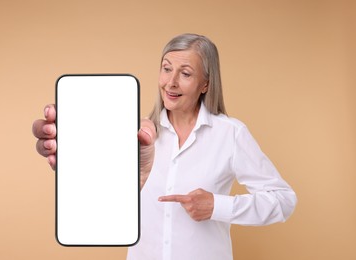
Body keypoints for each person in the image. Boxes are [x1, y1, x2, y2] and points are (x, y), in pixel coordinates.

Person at [32, 33, 297, 260]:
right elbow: (100, 197)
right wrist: (72, 161)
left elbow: (283, 200)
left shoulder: (230, 134)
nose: (170, 82)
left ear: (205, 83)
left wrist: (217, 206)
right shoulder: (135, 134)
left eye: (185, 74)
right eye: (166, 68)